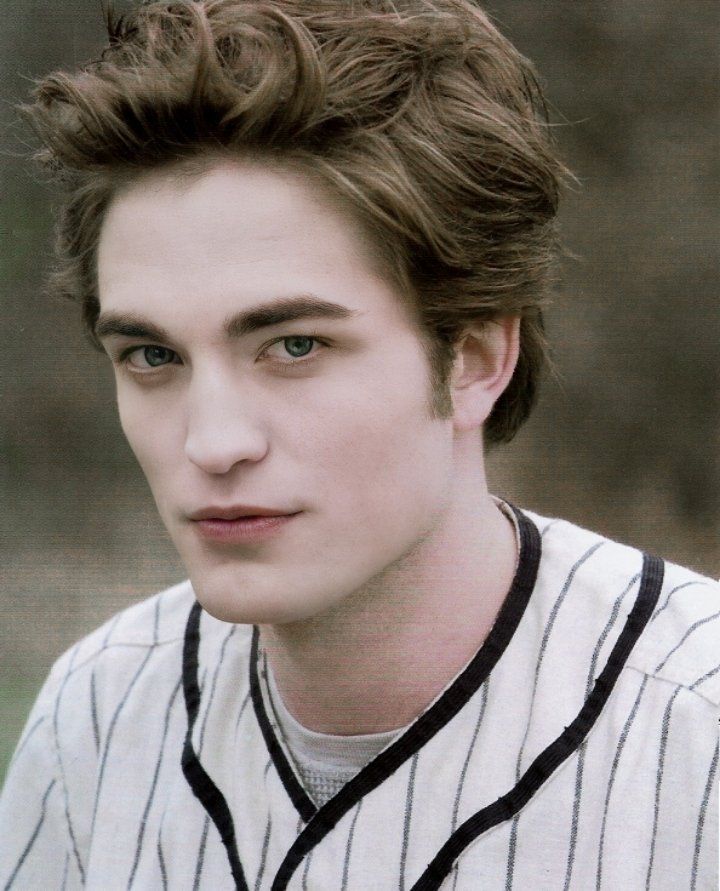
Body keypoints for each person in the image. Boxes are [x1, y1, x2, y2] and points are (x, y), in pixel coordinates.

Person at [1, 1, 717, 888]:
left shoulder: (698, 732)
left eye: (295, 345)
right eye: (154, 355)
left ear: (475, 357)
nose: (214, 441)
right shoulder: (96, 716)